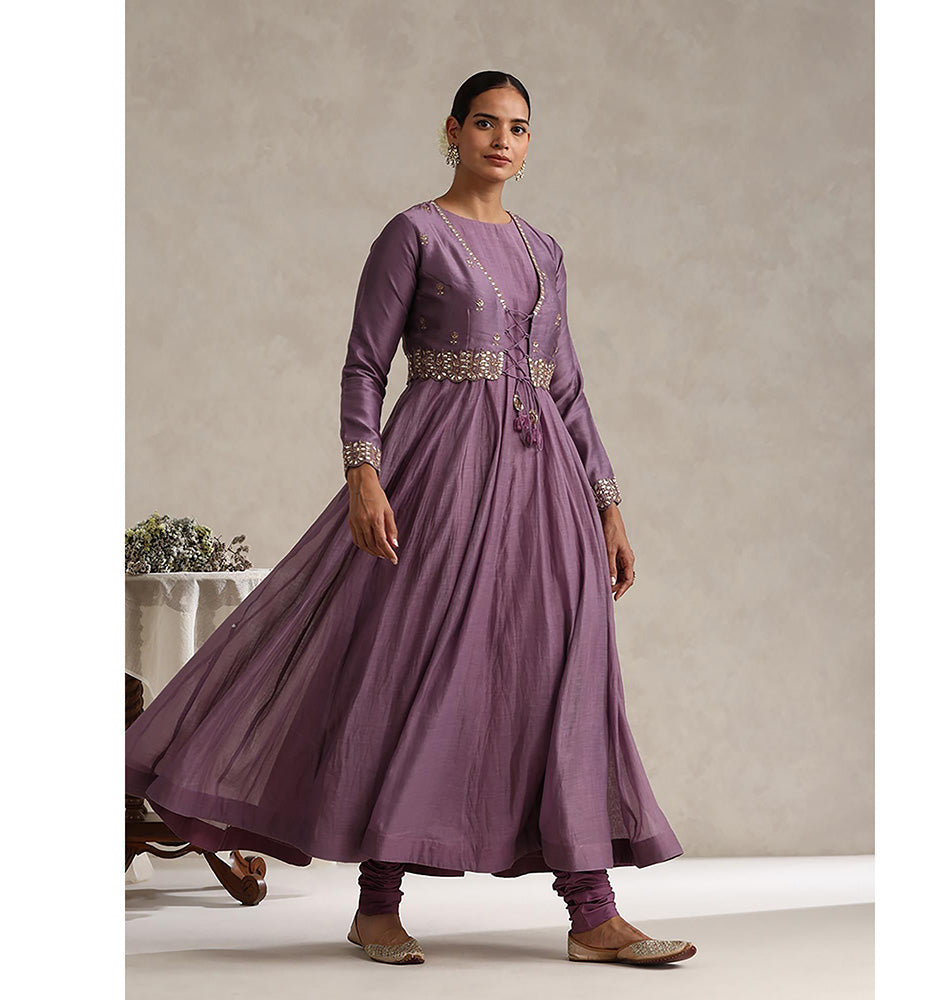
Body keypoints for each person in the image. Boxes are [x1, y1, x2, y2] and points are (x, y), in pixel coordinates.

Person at [125, 70, 696, 968]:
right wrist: (364, 474)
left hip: (545, 483)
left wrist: (609, 504)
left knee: (565, 671)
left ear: (529, 144)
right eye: (486, 123)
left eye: (518, 127)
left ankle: (593, 912)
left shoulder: (544, 250)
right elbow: (365, 365)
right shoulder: (414, 234)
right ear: (453, 131)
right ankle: (377, 904)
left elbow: (568, 387)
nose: (502, 140)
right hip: (439, 471)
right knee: (417, 668)